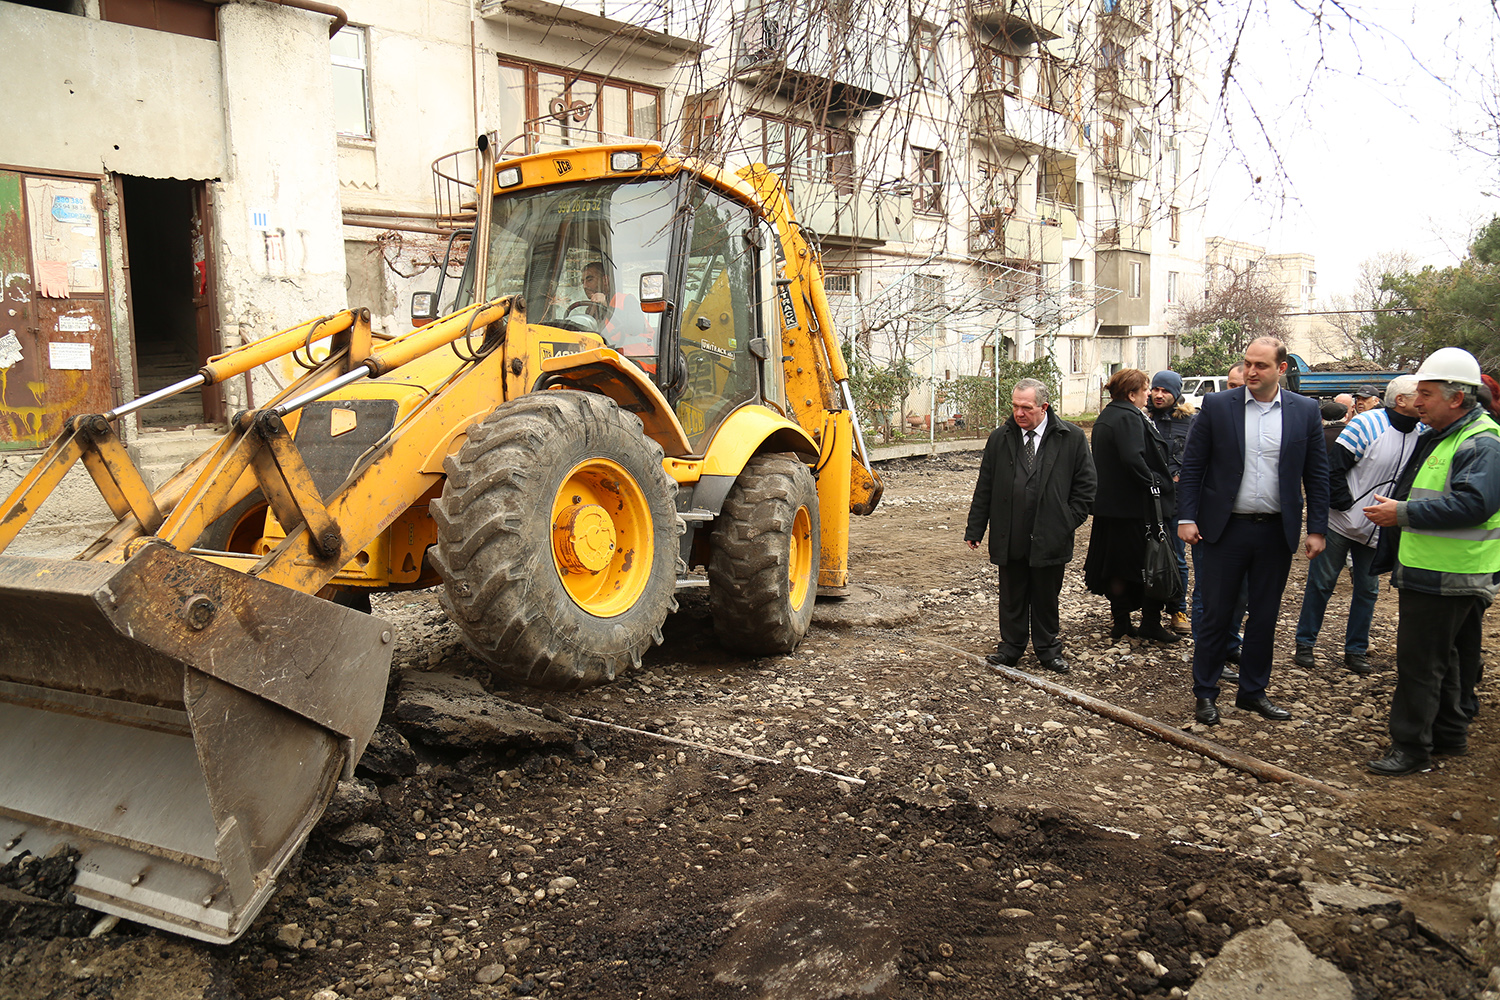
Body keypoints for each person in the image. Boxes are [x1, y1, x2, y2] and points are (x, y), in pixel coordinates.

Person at [1177, 336, 1330, 726]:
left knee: (1264, 616)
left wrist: (1317, 529)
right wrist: (1186, 517)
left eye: (1261, 365)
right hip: (1224, 531)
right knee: (1216, 613)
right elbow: (1193, 466)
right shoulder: (1216, 405)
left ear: (1281, 369)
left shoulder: (1304, 411)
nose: (1251, 371)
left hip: (1274, 532)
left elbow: (1316, 474)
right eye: (1247, 363)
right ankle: (1206, 693)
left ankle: (1252, 692)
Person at [1362, 347, 1500, 775]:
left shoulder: (1480, 442)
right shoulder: (1452, 435)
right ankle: (1449, 735)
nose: (1416, 401)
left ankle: (1410, 747)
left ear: (1456, 397)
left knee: (1420, 664)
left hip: (1448, 573)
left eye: (1425, 393)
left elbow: (1474, 504)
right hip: (1447, 571)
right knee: (1453, 658)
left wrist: (1400, 513)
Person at [965, 378, 1097, 674]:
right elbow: (985, 485)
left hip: (1051, 534)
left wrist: (1066, 520)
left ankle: (1048, 650)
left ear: (1044, 407)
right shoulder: (1000, 438)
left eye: (1026, 407)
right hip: (1009, 532)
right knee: (1012, 595)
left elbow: (1086, 486)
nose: (1019, 413)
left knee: (1045, 595)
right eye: (1015, 406)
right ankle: (1010, 648)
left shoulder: (1071, 437)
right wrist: (976, 528)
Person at [1293, 375, 1421, 675]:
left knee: (1368, 589)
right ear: (1401, 400)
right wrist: (1346, 507)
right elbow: (1333, 469)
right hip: (1342, 521)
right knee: (1322, 583)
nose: (1425, 399)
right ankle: (1305, 643)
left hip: (1381, 525)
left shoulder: (1423, 431)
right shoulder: (1367, 425)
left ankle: (1356, 650)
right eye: (1420, 394)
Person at [1085, 369, 1180, 644]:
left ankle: (1123, 623)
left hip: (1113, 509)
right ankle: (1149, 622)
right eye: (1145, 389)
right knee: (1148, 563)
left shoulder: (1108, 416)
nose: (1149, 394)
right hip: (1132, 509)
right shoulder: (1126, 417)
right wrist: (1156, 484)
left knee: (1117, 567)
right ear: (1131, 394)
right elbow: (1133, 459)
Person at [1191, 363, 1249, 680]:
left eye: (1239, 384)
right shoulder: (1211, 418)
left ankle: (1230, 643)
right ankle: (1208, 652)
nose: (1235, 390)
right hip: (1211, 522)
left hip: (1246, 523)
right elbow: (1193, 469)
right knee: (1208, 592)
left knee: (1241, 591)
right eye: (1229, 384)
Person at [1146, 370, 1197, 633]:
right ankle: (1149, 610)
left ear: (1176, 394)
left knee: (1177, 557)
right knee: (1149, 555)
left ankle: (1178, 609)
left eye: (1165, 391)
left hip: (1177, 503)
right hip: (1149, 501)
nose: (1158, 395)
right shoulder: (1144, 419)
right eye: (1155, 389)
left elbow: (1197, 460)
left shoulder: (1190, 422)